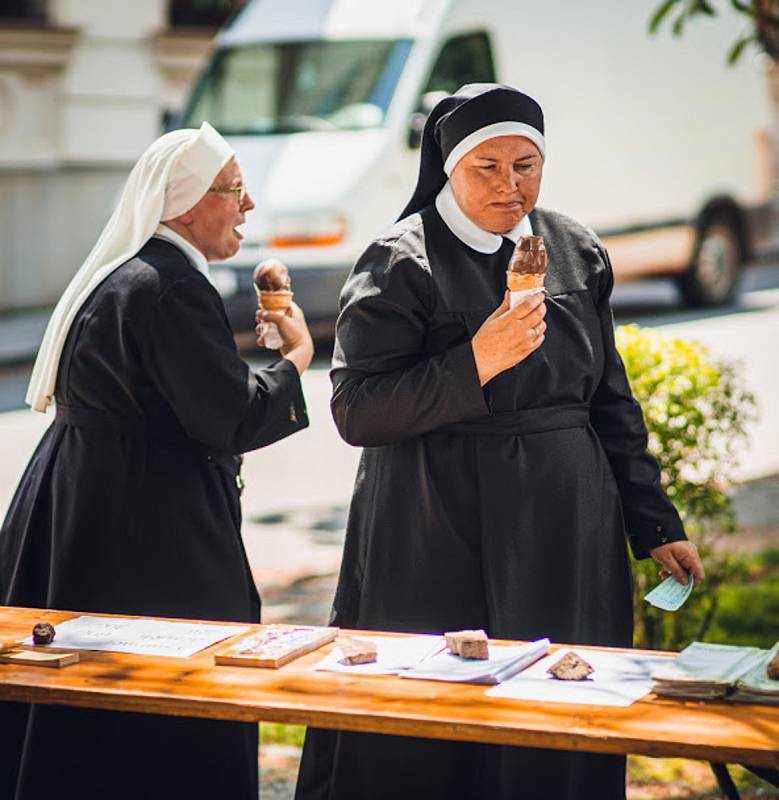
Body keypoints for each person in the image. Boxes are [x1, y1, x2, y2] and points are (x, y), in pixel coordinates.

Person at [295, 84, 705, 800]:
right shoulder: (399, 262)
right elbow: (356, 411)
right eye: (487, 166)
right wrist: (475, 362)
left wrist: (653, 521)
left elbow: (608, 398)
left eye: (526, 165)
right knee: (439, 721)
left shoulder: (574, 250)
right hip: (434, 527)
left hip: (564, 528)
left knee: (563, 707)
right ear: (449, 166)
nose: (509, 185)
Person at [0, 121, 314, 799]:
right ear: (186, 202)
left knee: (84, 705)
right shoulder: (172, 284)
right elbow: (227, 418)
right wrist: (295, 360)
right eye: (234, 189)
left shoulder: (127, 272)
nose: (248, 205)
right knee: (165, 704)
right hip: (147, 529)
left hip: (86, 503)